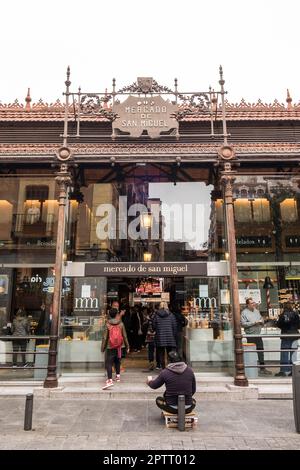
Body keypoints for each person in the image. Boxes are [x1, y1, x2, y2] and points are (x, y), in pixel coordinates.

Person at [147, 350, 196, 414]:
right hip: (187, 407)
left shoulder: (165, 372)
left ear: (168, 361)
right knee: (193, 401)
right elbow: (193, 390)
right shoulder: (190, 371)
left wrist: (149, 381)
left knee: (158, 400)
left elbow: (154, 386)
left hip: (172, 408)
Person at [241, 298, 272, 376]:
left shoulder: (256, 311)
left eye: (253, 303)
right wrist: (254, 322)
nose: (253, 304)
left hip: (258, 334)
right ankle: (251, 368)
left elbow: (261, 318)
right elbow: (243, 324)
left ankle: (262, 368)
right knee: (251, 353)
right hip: (250, 335)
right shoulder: (244, 313)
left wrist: (262, 321)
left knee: (261, 351)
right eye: (251, 303)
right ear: (247, 304)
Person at [101, 308, 129, 390]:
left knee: (109, 362)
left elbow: (105, 337)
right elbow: (125, 336)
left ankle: (109, 379)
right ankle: (118, 377)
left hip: (110, 346)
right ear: (117, 314)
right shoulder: (121, 324)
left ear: (109, 315)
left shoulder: (107, 324)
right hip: (119, 346)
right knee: (118, 360)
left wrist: (103, 348)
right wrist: (127, 346)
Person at [275, 302, 300, 377]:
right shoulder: (295, 314)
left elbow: (279, 324)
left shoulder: (283, 315)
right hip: (294, 335)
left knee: (284, 353)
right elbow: (299, 325)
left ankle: (283, 370)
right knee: (294, 354)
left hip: (286, 335)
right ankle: (293, 370)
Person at [152, 302, 177, 369]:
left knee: (161, 354)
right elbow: (174, 327)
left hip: (160, 337)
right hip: (170, 337)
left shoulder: (156, 315)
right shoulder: (171, 315)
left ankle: (163, 368)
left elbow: (153, 326)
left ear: (160, 306)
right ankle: (170, 367)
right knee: (170, 353)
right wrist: (173, 336)